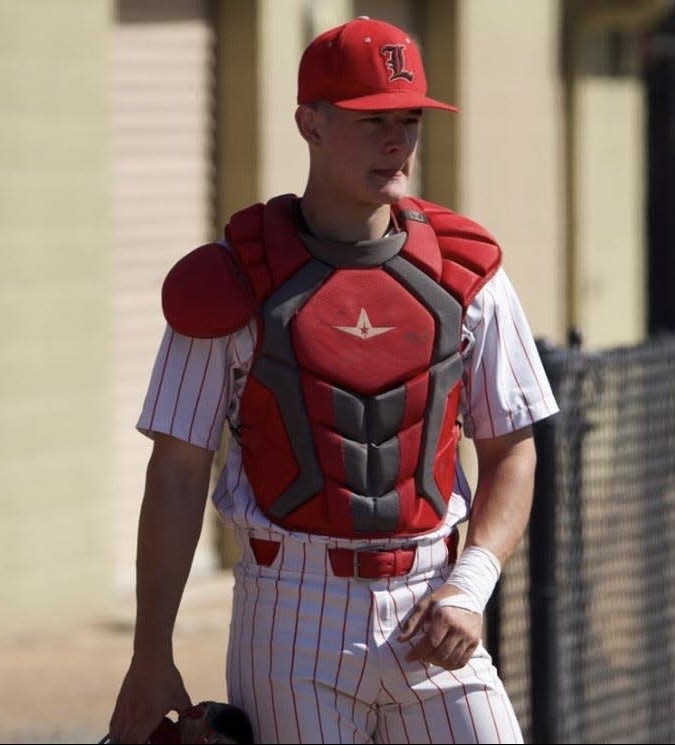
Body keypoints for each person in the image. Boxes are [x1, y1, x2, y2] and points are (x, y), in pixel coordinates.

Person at [107, 15, 559, 745]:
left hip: (433, 609)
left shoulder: (466, 271)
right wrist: (150, 651)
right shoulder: (233, 277)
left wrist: (472, 583)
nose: (398, 140)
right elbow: (178, 472)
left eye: (409, 118)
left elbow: (515, 448)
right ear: (308, 124)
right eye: (372, 118)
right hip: (291, 611)